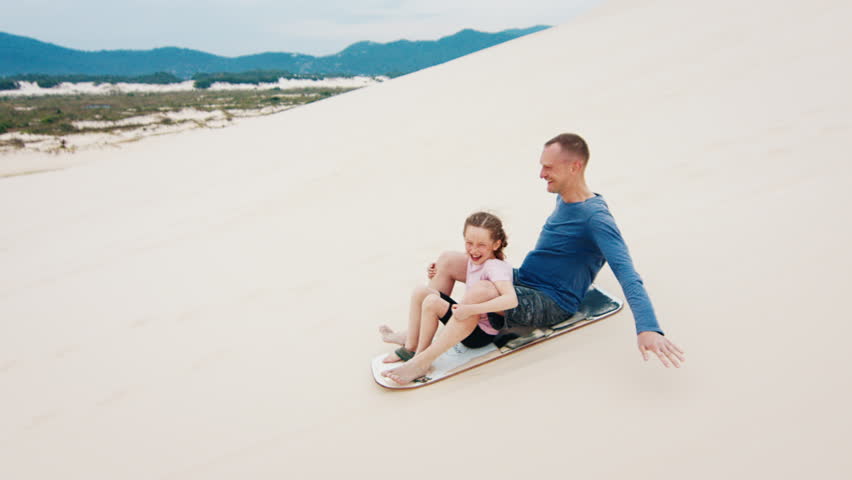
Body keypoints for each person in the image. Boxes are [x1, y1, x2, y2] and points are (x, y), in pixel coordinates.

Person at [379, 133, 685, 385]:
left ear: (574, 167)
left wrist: (648, 327)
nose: (541, 174)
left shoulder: (596, 219)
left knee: (483, 291)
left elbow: (627, 273)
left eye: (548, 168)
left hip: (552, 301)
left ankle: (422, 362)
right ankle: (424, 328)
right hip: (525, 279)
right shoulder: (564, 198)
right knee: (447, 260)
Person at [378, 212, 517, 384]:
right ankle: (411, 344)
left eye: (481, 245)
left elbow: (511, 300)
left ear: (496, 244)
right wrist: (433, 274)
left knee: (432, 302)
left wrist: (470, 309)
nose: (473, 250)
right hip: (466, 317)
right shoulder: (477, 260)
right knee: (421, 291)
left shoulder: (495, 267)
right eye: (469, 243)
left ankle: (419, 361)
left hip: (480, 334)